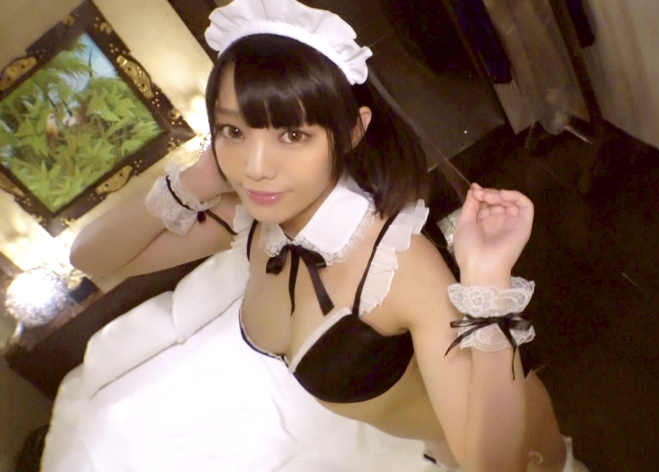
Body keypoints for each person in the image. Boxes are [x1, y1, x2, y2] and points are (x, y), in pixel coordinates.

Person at [70, 1, 585, 471]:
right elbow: (93, 257)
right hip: (437, 448)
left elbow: (495, 465)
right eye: (235, 130)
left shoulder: (399, 269)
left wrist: (488, 282)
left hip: (518, 447)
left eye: (292, 134)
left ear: (353, 131)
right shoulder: (257, 225)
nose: (255, 167)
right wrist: (198, 179)